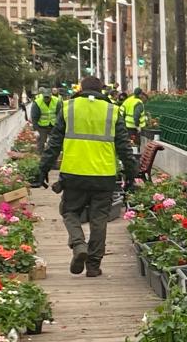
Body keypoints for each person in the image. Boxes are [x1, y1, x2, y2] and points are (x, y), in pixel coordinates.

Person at [34, 75, 137, 278]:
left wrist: (43, 169)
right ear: (101, 91)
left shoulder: (67, 107)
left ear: (81, 88)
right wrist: (131, 174)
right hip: (104, 175)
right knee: (99, 220)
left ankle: (78, 243)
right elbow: (125, 147)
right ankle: (93, 265)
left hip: (74, 173)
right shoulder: (113, 111)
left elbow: (54, 142)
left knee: (69, 211)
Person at [29, 87, 60, 155]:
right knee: (41, 142)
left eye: (48, 97)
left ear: (51, 96)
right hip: (42, 126)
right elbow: (34, 117)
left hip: (53, 125)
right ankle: (40, 156)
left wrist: (59, 126)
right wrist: (35, 129)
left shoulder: (57, 101)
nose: (46, 99)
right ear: (43, 96)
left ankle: (53, 156)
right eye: (45, 97)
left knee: (54, 142)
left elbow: (59, 115)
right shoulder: (37, 103)